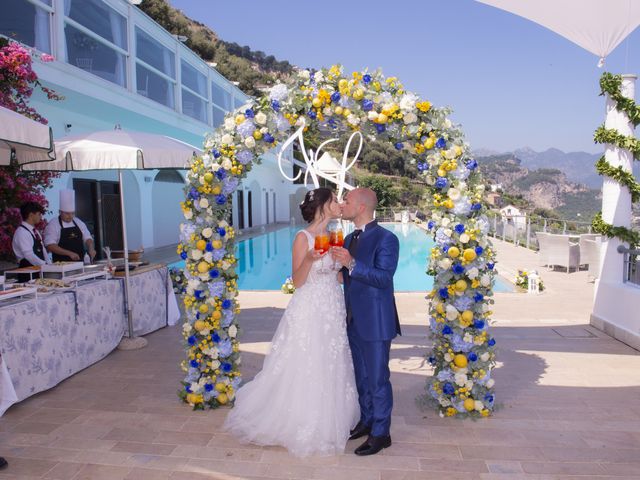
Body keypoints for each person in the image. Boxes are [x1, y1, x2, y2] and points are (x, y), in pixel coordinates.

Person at [224, 187, 359, 457]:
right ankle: (301, 420)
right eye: (334, 200)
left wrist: (345, 264)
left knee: (330, 359)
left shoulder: (335, 236)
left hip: (331, 305)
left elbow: (337, 276)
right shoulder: (303, 238)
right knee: (306, 359)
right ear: (322, 206)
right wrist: (310, 259)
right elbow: (297, 282)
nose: (339, 203)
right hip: (309, 307)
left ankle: (330, 417)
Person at [331, 188, 401, 456]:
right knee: (361, 377)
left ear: (361, 207)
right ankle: (367, 420)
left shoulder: (387, 239)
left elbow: (384, 278)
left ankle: (381, 434)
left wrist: (351, 263)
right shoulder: (348, 237)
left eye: (346, 200)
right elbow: (346, 278)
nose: (342, 204)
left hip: (375, 321)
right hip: (352, 319)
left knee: (378, 379)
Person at [44, 189, 96, 263]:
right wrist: (69, 253)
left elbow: (87, 237)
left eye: (72, 213)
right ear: (60, 212)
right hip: (61, 265)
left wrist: (91, 248)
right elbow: (50, 245)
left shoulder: (78, 222)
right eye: (67, 213)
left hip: (80, 263)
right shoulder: (53, 224)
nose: (70, 216)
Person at [12, 201, 49, 282]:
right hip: (27, 274)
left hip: (40, 271)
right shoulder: (22, 232)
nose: (41, 217)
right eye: (39, 214)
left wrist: (50, 264)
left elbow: (42, 249)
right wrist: (45, 265)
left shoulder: (35, 231)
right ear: (31, 215)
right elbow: (28, 255)